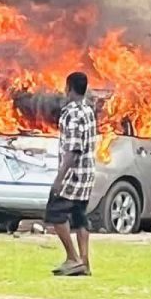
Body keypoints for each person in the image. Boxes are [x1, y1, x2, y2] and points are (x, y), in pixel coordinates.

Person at [45, 71, 97, 278]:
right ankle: (85, 262)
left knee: (55, 212)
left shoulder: (72, 113)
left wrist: (59, 179)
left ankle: (73, 258)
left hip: (73, 174)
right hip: (87, 174)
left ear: (68, 88)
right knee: (79, 216)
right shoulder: (88, 110)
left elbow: (73, 149)